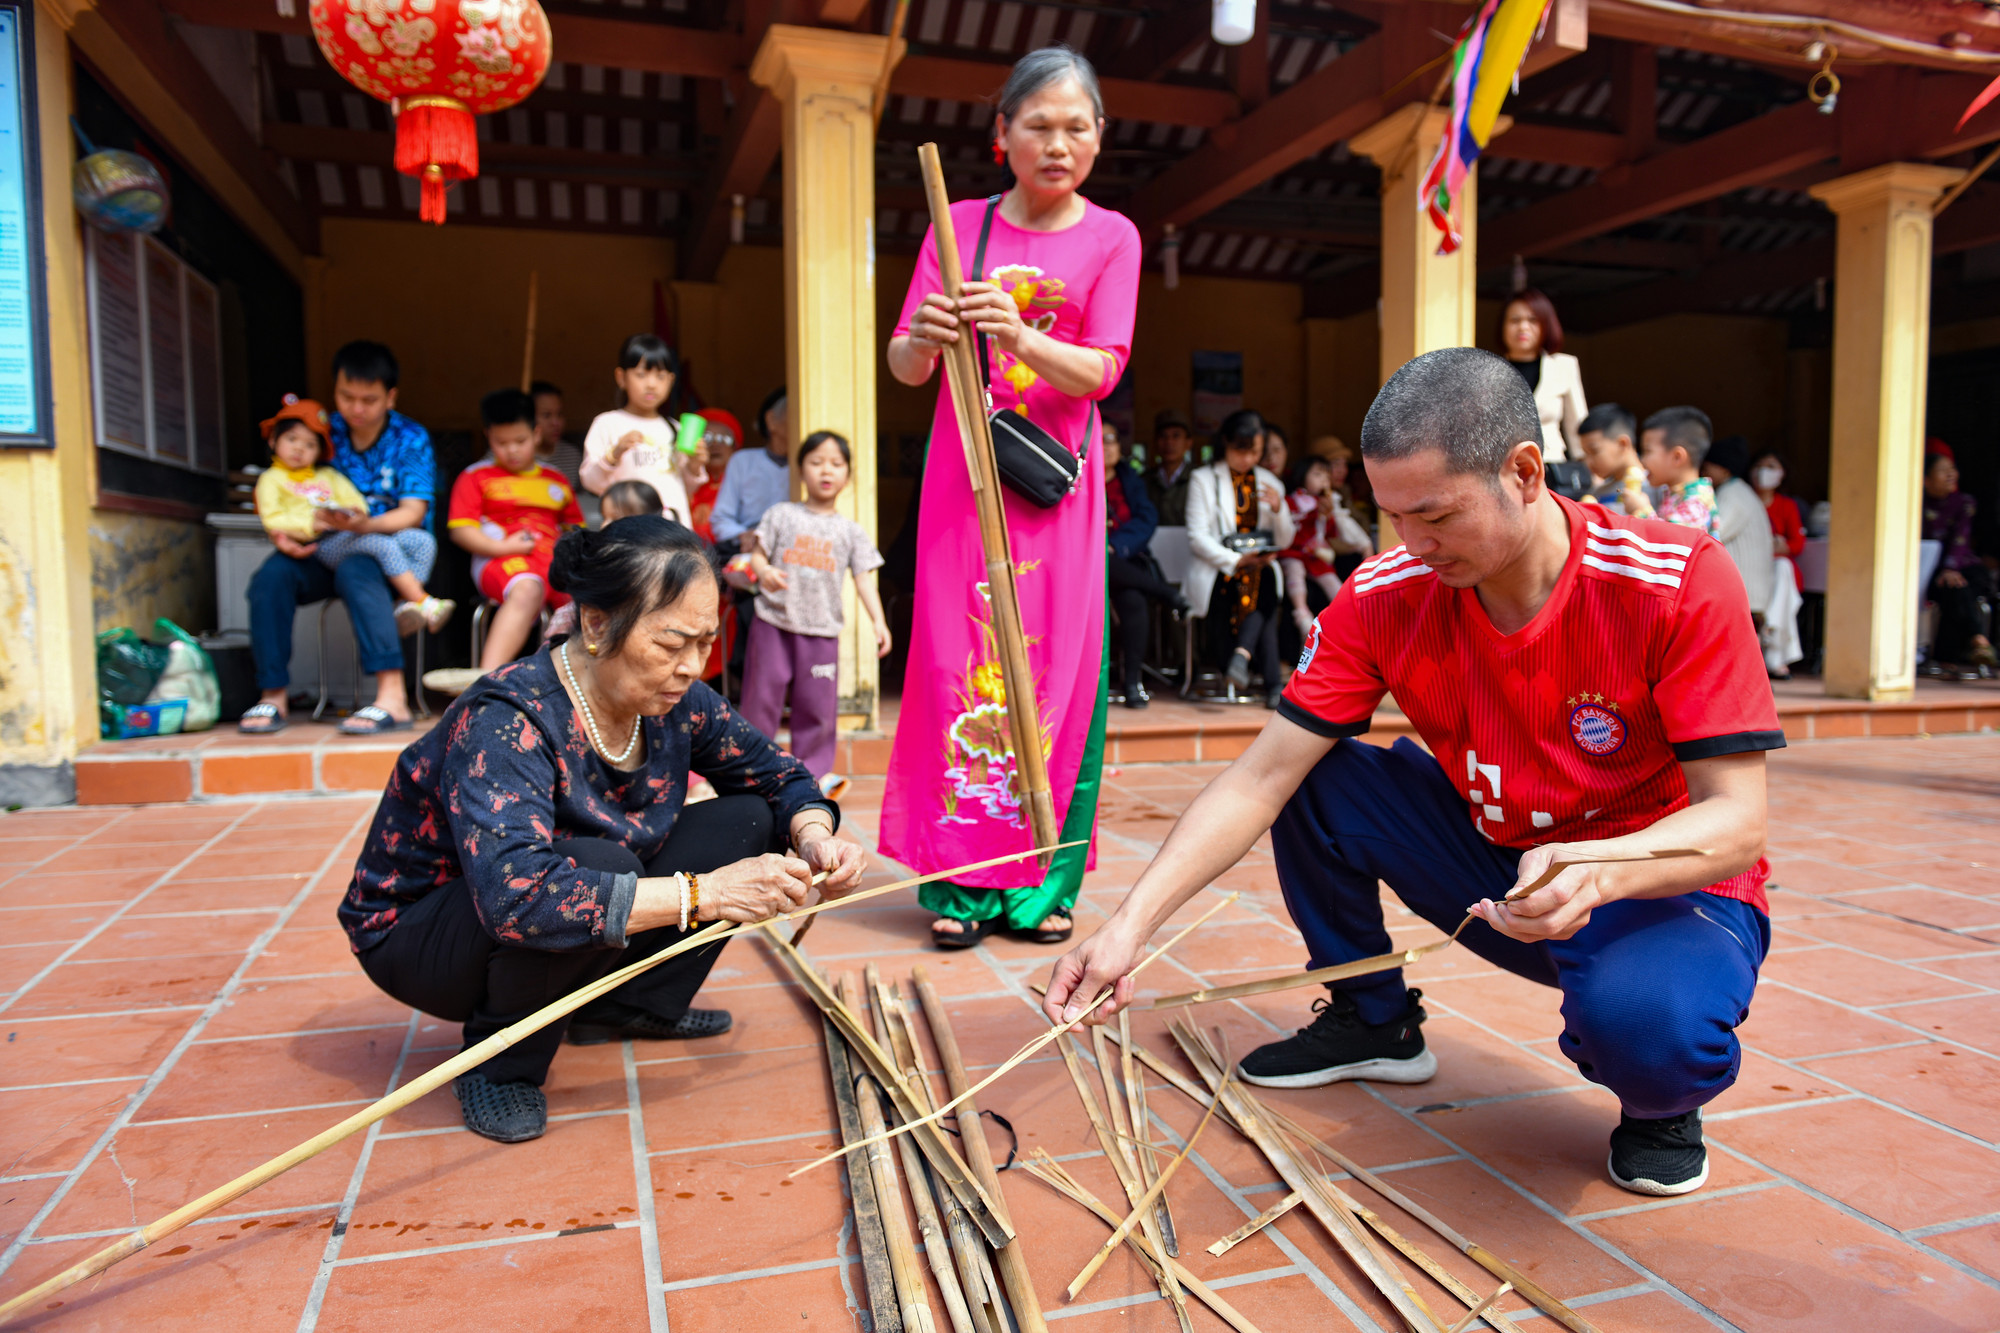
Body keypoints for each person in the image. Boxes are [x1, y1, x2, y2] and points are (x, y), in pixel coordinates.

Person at [1046, 346, 1783, 1199]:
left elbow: (1737, 821)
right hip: (1499, 865)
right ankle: (1373, 1016)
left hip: (1658, 885)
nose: (1413, 544)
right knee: (1314, 775)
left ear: (1524, 472)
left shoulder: (1672, 579)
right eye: (1392, 515)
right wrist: (1128, 925)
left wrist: (1600, 867)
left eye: (1435, 515)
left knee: (1650, 1028)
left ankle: (1661, 1105)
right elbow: (1259, 777)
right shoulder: (1387, 593)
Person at [341, 518, 869, 1143]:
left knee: (747, 818)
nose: (691, 667)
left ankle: (626, 1006)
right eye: (671, 643)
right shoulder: (507, 719)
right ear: (596, 624)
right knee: (601, 866)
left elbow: (777, 776)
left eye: (705, 643)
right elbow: (517, 897)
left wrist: (813, 836)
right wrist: (709, 894)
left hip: (559, 890)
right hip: (426, 935)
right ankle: (497, 1061)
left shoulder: (679, 701)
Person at [881, 45, 1140, 951]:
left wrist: (1019, 335)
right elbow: (905, 364)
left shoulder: (1113, 237)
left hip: (1055, 490)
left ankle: (1040, 887)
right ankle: (960, 882)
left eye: (1075, 127)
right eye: (1038, 125)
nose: (1057, 144)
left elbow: (1103, 371)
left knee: (1058, 674)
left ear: (1098, 136)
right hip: (964, 480)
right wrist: (926, 333)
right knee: (957, 664)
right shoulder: (958, 227)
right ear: (1003, 133)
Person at [245, 340, 438, 736]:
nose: (356, 409)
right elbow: (287, 486)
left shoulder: (410, 438)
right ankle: (273, 694)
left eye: (369, 400)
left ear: (391, 397)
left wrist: (362, 527)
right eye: (346, 397)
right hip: (322, 547)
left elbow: (413, 512)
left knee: (357, 570)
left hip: (385, 553)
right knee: (270, 578)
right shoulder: (321, 431)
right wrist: (283, 535)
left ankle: (392, 697)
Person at [741, 430, 891, 784]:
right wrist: (765, 572)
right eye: (816, 462)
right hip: (773, 623)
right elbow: (757, 557)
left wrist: (879, 622)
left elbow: (864, 580)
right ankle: (749, 771)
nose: (826, 470)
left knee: (817, 708)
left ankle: (811, 776)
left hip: (822, 631)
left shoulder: (851, 531)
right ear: (800, 470)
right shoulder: (781, 515)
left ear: (848, 475)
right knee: (761, 700)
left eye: (836, 464)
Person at [448, 388, 587, 672]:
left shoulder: (556, 479)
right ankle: (486, 681)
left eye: (520, 441)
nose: (511, 450)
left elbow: (575, 532)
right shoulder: (475, 477)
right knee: (527, 589)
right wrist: (504, 547)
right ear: (488, 436)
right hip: (500, 560)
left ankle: (573, 684)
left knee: (587, 597)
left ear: (536, 434)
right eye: (501, 442)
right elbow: (461, 531)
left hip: (552, 563)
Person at [1185, 409, 1296, 708]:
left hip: (1259, 566)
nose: (1248, 459)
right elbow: (1197, 537)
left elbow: (1285, 540)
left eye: (1255, 452)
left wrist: (1279, 510)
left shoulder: (1270, 482)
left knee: (1266, 577)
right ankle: (1271, 683)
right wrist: (1236, 561)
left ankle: (1241, 657)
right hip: (1221, 569)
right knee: (1264, 594)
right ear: (1225, 443)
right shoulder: (1203, 479)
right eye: (1241, 450)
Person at [1104, 422, 1184, 709]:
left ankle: (1132, 681)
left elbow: (1146, 519)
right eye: (1100, 439)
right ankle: (1165, 592)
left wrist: (1117, 545)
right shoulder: (1078, 478)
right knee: (1101, 559)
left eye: (1112, 439)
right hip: (1090, 565)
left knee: (1134, 600)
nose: (1107, 445)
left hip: (1125, 559)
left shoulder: (1131, 479)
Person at [579, 333, 693, 527]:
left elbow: (685, 488)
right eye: (641, 375)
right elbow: (591, 482)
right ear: (621, 377)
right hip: (630, 527)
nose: (651, 384)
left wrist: (696, 465)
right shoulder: (608, 424)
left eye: (660, 376)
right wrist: (614, 454)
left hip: (673, 527)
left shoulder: (675, 428)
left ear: (671, 381)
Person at [1922, 451, 1997, 677]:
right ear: (1925, 479)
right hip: (1930, 571)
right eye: (1942, 471)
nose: (1951, 474)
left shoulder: (1964, 503)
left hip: (1965, 567)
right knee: (1954, 589)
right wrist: (1946, 571)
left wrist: (1950, 568)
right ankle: (1978, 640)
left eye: (1952, 469)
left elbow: (1960, 538)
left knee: (1956, 586)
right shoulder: (1916, 504)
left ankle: (1947, 658)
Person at [1280, 455, 1370, 640]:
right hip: (1295, 552)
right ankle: (1301, 612)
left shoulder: (1326, 502)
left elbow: (1330, 533)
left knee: (1333, 583)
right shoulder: (1291, 501)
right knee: (1295, 573)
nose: (1323, 480)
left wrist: (1328, 516)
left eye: (1326, 477)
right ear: (1302, 475)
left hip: (1316, 556)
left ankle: (1348, 619)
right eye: (1317, 475)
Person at [1499, 288, 1586, 463]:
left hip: (1551, 463)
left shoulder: (1563, 366)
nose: (1523, 327)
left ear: (1546, 325)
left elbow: (1577, 426)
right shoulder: (1490, 370)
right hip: (1504, 466)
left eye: (1532, 320)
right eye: (1515, 320)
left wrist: (1586, 466)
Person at [1701, 435, 1774, 628]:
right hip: (1749, 598)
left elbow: (1712, 534)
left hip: (1745, 599)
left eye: (1708, 467)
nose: (1703, 473)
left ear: (1724, 470)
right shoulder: (1740, 491)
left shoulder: (1732, 494)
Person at [711, 388, 793, 559]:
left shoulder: (807, 466)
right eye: (794, 414)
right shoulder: (743, 461)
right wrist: (743, 534)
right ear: (771, 420)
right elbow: (721, 519)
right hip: (746, 550)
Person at [1641, 406, 1718, 538]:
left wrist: (1642, 511)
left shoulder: (1696, 501)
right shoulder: (1675, 492)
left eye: (1647, 451)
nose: (1643, 461)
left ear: (1677, 457)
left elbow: (1673, 542)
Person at [1577, 403, 1654, 519]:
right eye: (1586, 454)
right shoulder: (1597, 493)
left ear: (1622, 444)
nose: (1588, 462)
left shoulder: (1655, 486)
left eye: (1594, 451)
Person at [688, 407, 742, 542]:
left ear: (735, 448)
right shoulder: (685, 481)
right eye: (707, 438)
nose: (715, 445)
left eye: (725, 439)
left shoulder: (745, 483)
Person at [529, 380, 585, 491]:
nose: (556, 423)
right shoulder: (513, 457)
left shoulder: (572, 457)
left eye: (559, 414)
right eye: (546, 415)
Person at [1145, 408, 1197, 526]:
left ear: (1189, 442)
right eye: (1163, 436)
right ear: (1155, 442)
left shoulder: (1199, 479)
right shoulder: (1144, 481)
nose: (1169, 442)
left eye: (1176, 436)